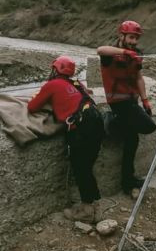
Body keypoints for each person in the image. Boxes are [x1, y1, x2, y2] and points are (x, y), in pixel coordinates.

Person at [28, 56, 105, 215]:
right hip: (96, 119)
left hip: (81, 126)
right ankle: (94, 202)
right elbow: (86, 93)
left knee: (80, 167)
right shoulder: (76, 82)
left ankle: (87, 211)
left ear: (55, 69)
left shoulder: (52, 84)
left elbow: (32, 107)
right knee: (88, 166)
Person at [97, 19, 156, 194]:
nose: (134, 42)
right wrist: (124, 52)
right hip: (118, 103)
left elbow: (138, 78)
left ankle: (127, 181)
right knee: (149, 126)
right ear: (121, 36)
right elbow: (100, 50)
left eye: (136, 38)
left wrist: (145, 100)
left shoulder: (136, 54)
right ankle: (111, 121)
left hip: (132, 102)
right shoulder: (111, 54)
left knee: (132, 140)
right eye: (131, 37)